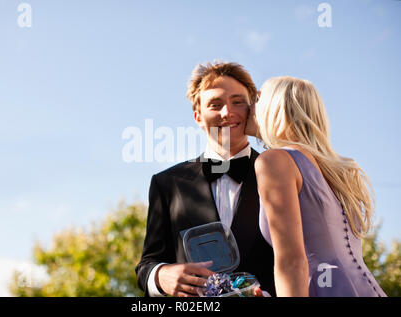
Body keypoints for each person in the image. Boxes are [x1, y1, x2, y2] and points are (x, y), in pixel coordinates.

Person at [135, 61, 275, 297]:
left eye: (237, 102)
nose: (226, 112)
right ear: (198, 116)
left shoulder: (282, 174)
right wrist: (161, 275)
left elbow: (306, 256)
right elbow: (147, 264)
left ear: (253, 109)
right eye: (215, 104)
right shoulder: (167, 183)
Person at [246, 76, 387, 297]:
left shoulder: (274, 161)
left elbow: (291, 261)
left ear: (275, 108)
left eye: (256, 99)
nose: (249, 106)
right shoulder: (340, 171)